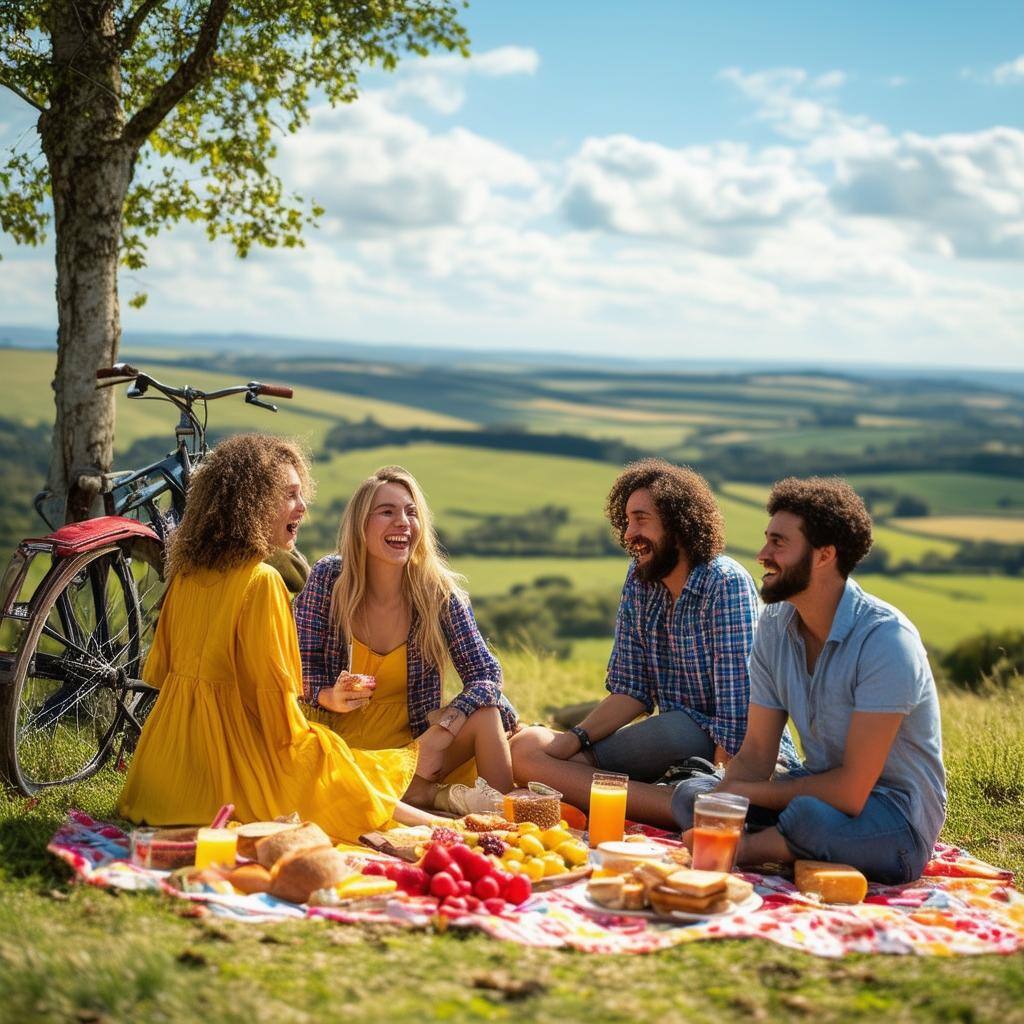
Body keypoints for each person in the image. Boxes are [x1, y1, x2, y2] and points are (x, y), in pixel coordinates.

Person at [117, 435, 443, 840]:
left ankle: (435, 816)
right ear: (252, 504)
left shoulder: (185, 574)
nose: (303, 507)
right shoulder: (262, 580)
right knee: (325, 756)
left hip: (160, 773)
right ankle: (438, 825)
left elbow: (160, 671)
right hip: (224, 781)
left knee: (330, 754)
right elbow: (277, 718)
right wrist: (313, 742)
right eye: (290, 495)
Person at [671, 477, 947, 883]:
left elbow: (852, 791)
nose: (762, 554)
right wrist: (722, 803)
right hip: (815, 793)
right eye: (767, 540)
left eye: (778, 543)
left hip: (894, 819)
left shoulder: (886, 641)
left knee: (806, 817)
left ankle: (746, 850)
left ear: (824, 556)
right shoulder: (774, 626)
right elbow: (756, 753)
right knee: (690, 796)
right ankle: (788, 847)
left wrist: (746, 798)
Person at [510, 458, 784, 828]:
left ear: (678, 523)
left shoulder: (724, 582)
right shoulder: (640, 580)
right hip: (670, 747)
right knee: (526, 751)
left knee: (675, 728)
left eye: (640, 519)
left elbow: (738, 714)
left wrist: (726, 789)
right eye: (625, 521)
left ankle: (700, 805)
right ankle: (673, 805)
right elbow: (631, 691)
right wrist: (571, 742)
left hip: (727, 751)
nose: (628, 533)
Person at [293, 466, 518, 815]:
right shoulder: (328, 578)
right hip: (341, 747)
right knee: (333, 777)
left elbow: (487, 675)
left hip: (416, 748)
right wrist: (331, 696)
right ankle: (432, 796)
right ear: (360, 525)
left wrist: (442, 732)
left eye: (411, 513)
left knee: (488, 713)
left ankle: (508, 827)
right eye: (387, 512)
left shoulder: (436, 591)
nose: (403, 522)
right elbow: (298, 670)